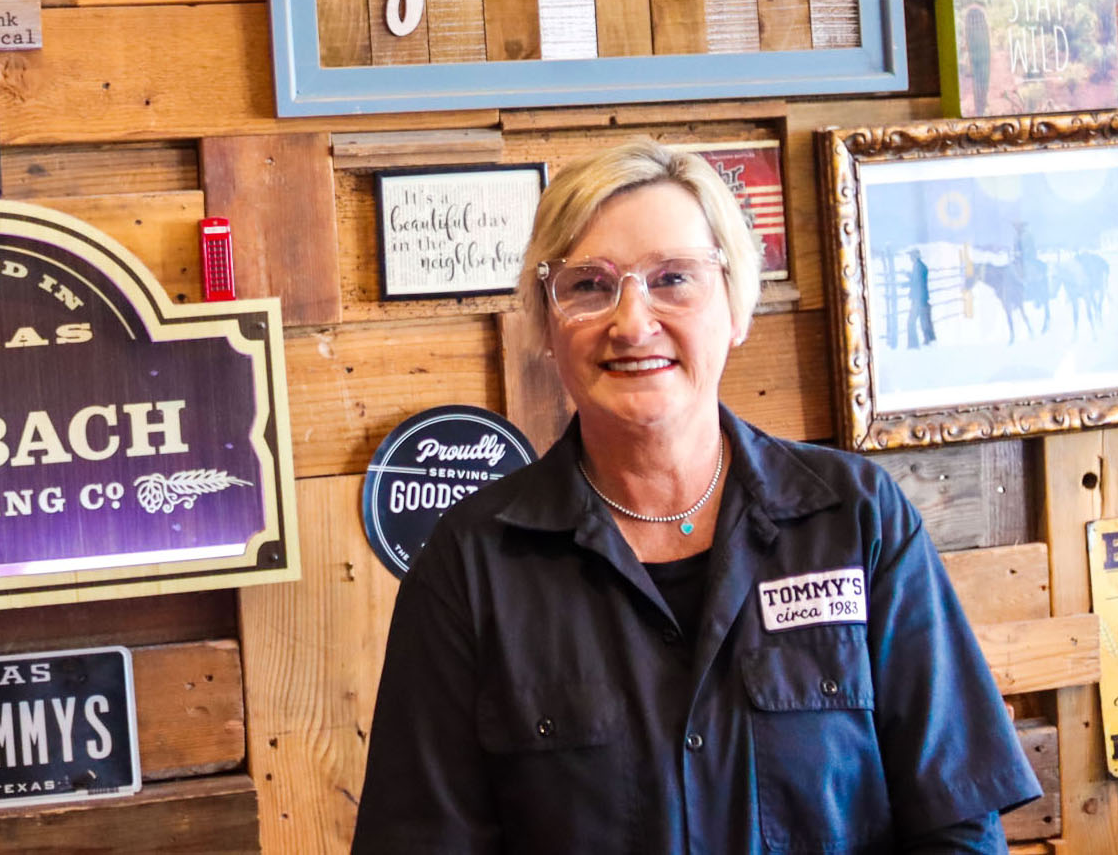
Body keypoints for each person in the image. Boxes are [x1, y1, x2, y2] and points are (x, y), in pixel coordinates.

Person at [352, 139, 1041, 853]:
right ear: (549, 326)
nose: (631, 321)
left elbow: (957, 826)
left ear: (736, 307)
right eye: (589, 284)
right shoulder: (469, 569)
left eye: (673, 277)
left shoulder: (856, 518)